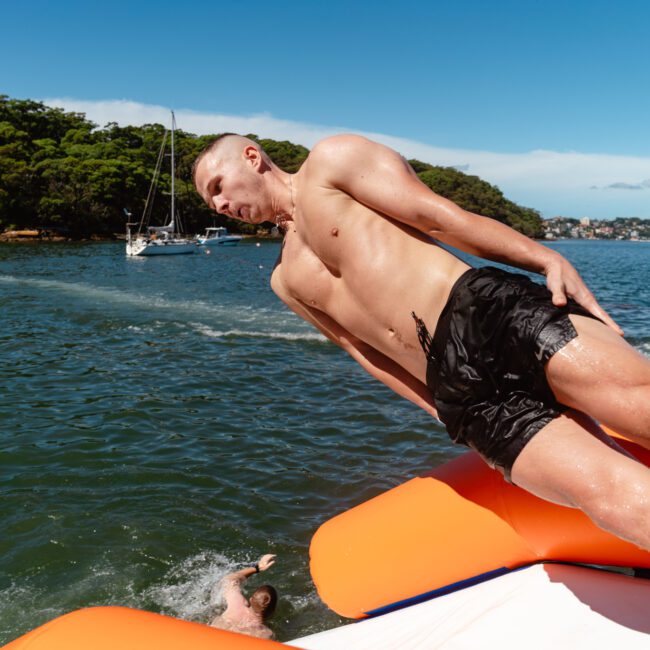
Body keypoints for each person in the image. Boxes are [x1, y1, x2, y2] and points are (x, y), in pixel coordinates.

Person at [193, 133, 650, 550]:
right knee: (608, 498)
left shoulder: (330, 163)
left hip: (485, 315)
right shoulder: (284, 279)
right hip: (463, 395)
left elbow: (439, 218)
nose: (217, 204)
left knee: (639, 406)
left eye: (217, 185)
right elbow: (364, 352)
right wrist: (442, 411)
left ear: (252, 157)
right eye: (208, 200)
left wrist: (543, 257)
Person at [209, 553, 278, 639]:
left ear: (250, 599)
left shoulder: (236, 604)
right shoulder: (265, 634)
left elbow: (229, 580)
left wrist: (257, 568)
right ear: (273, 611)